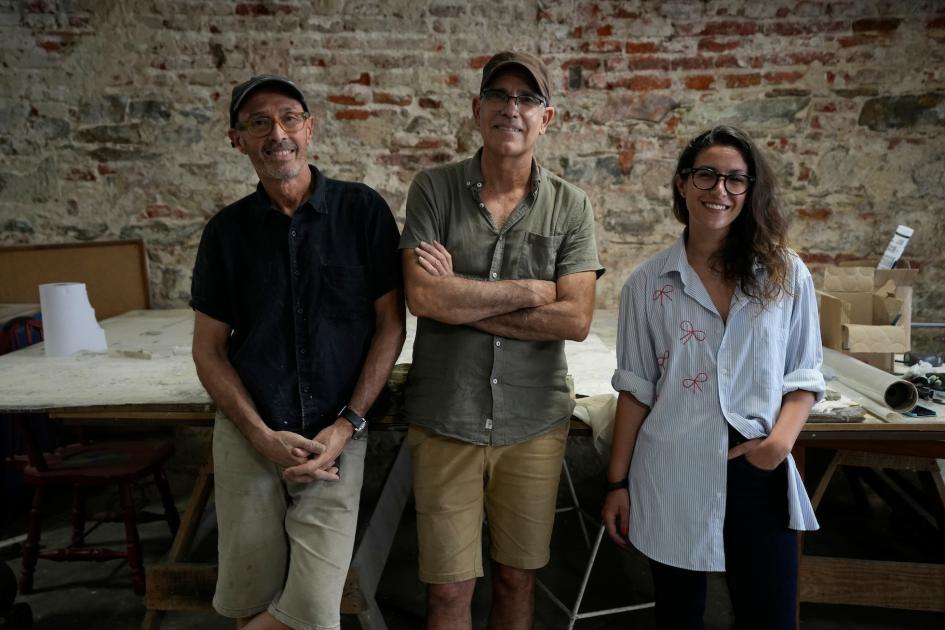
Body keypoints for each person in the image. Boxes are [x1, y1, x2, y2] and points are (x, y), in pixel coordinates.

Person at [190, 74, 405, 630]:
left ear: (309, 128)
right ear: (237, 139)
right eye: (258, 122)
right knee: (249, 600)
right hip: (251, 435)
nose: (276, 132)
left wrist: (348, 425)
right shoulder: (226, 233)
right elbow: (209, 351)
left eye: (288, 118)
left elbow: (390, 328)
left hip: (335, 436)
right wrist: (260, 435)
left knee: (311, 612)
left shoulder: (362, 212)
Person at [399, 51, 603, 630]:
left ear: (548, 117)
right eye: (499, 95)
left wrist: (461, 301)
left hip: (533, 421)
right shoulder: (433, 191)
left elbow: (575, 321)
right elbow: (423, 299)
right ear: (476, 108)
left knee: (517, 578)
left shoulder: (571, 205)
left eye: (527, 99)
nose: (511, 109)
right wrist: (531, 290)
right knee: (448, 592)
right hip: (446, 418)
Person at [602, 125, 825, 630]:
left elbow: (804, 372)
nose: (719, 191)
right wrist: (617, 483)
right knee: (679, 617)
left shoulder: (786, 274)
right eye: (706, 175)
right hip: (671, 470)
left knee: (769, 617)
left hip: (759, 468)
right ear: (683, 184)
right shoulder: (645, 284)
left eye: (735, 179)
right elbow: (635, 390)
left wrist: (779, 445)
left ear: (750, 191)